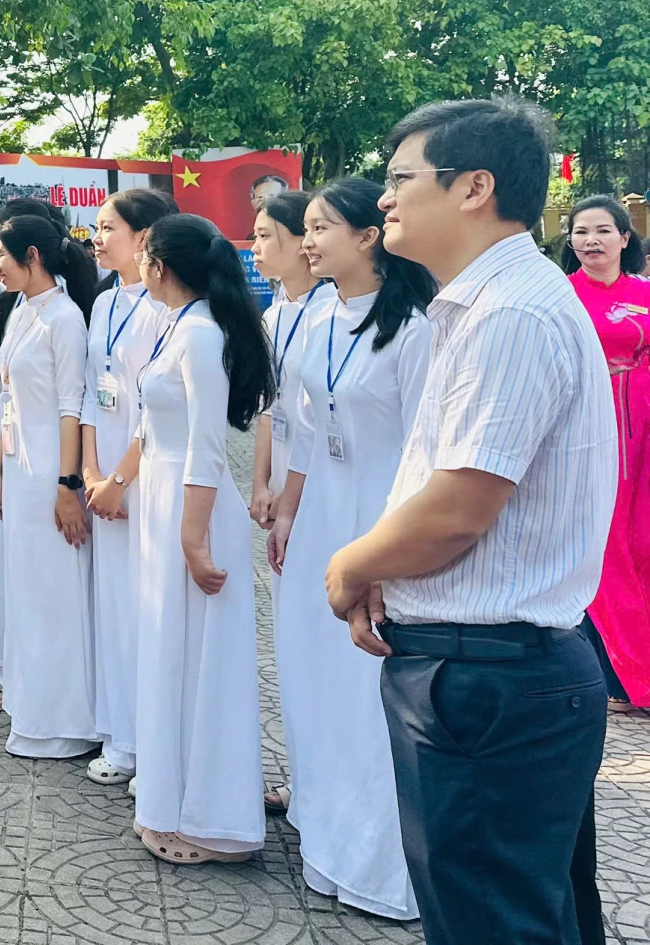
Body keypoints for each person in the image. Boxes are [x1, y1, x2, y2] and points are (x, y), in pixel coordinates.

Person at [326, 98, 615, 945]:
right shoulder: (485, 304)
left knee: (491, 923)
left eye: (401, 179)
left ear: (474, 188)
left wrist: (350, 566)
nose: (385, 199)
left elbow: (457, 509)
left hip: (491, 681)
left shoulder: (510, 314)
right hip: (491, 671)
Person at [268, 179, 434, 919]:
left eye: (321, 227)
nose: (307, 242)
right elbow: (306, 429)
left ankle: (380, 863)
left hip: (382, 522)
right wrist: (287, 510)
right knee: (313, 676)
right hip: (320, 525)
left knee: (367, 693)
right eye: (305, 228)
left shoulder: (416, 329)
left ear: (369, 236)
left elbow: (427, 454)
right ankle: (324, 826)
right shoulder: (318, 319)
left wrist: (389, 558)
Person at [119, 213, 273, 864]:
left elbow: (207, 446)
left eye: (143, 254)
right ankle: (171, 796)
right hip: (165, 501)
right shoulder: (177, 326)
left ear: (159, 265)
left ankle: (216, 822)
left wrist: (192, 536)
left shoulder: (202, 335)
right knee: (169, 657)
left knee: (201, 666)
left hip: (194, 509)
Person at [0, 213, 101, 757]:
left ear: (31, 255)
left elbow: (72, 406)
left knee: (56, 593)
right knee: (27, 592)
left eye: (1, 255)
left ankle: (65, 723)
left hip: (51, 472)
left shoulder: (66, 318)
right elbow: (9, 395)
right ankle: (30, 711)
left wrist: (67, 484)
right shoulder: (24, 310)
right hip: (19, 468)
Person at [80, 188, 179, 786]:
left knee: (149, 611)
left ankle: (153, 747)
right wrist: (91, 474)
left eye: (106, 227)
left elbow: (162, 411)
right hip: (104, 479)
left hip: (146, 474)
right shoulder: (102, 301)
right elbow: (92, 392)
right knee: (114, 608)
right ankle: (120, 736)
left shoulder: (169, 308)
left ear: (144, 238)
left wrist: (120, 479)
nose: (95, 238)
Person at [564, 196, 650, 711]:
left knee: (642, 542)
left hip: (644, 430)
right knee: (607, 543)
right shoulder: (561, 295)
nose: (591, 240)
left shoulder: (645, 293)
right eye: (581, 231)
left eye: (602, 230)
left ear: (624, 237)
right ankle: (625, 676)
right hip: (589, 430)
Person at [248, 191, 333, 532]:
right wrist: (260, 485)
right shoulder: (274, 315)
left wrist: (292, 495)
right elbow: (269, 408)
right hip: (283, 479)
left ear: (303, 241)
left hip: (322, 481)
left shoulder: (332, 310)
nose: (255, 248)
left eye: (264, 236)